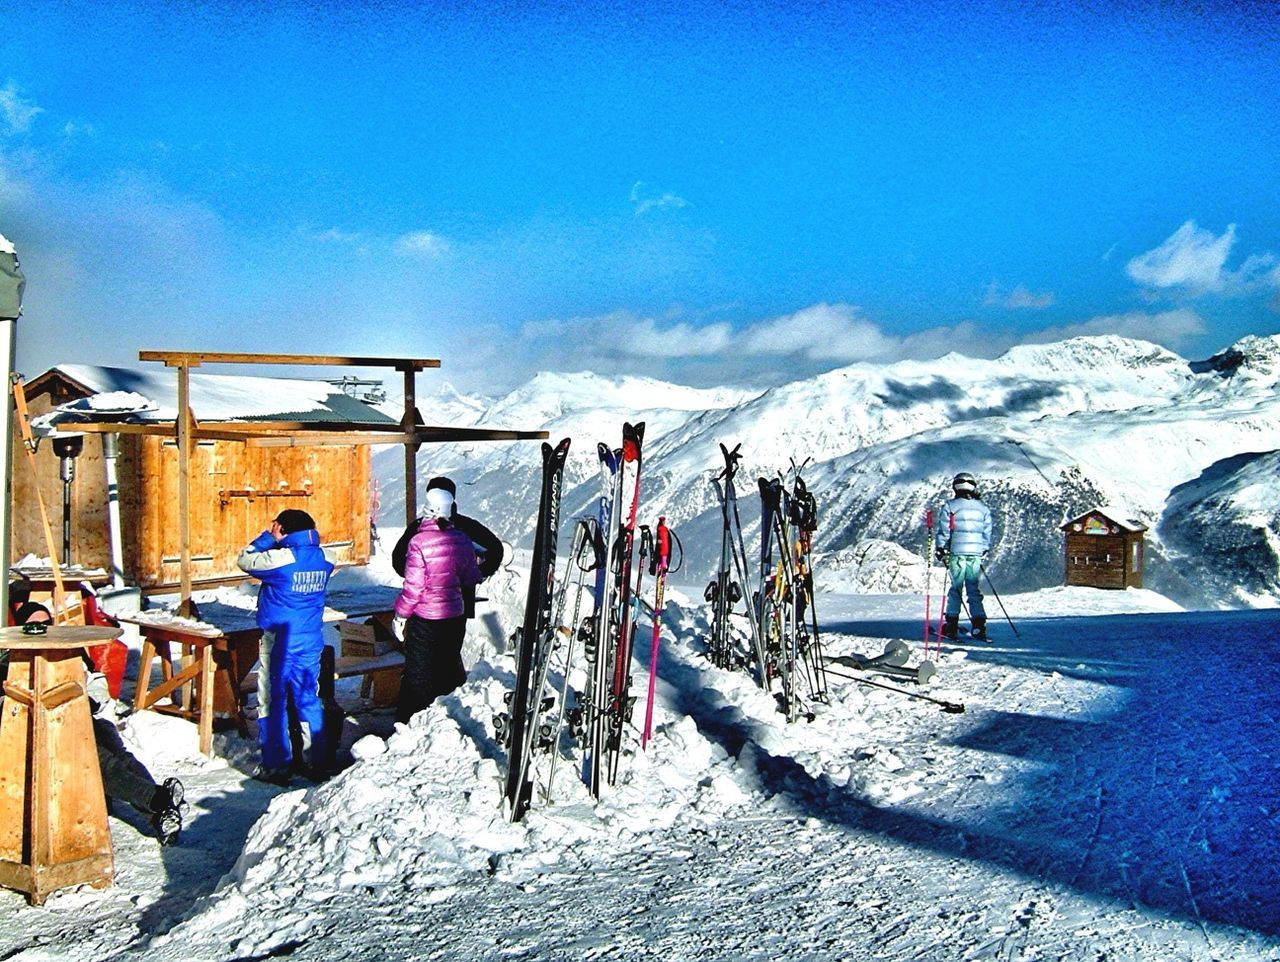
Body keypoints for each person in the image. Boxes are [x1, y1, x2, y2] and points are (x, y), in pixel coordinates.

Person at [5, 601, 186, 844]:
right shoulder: (12, 660)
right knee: (100, 760)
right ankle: (159, 800)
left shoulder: (68, 650)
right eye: (34, 625)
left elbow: (95, 679)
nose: (42, 629)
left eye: (46, 623)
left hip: (84, 716)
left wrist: (91, 699)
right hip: (48, 731)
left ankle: (162, 815)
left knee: (121, 755)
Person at [237, 509, 335, 785]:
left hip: (280, 641)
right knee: (308, 698)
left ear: (283, 528)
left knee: (272, 701)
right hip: (310, 638)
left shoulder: (281, 559)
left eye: (276, 526)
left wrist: (269, 537)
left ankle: (277, 765)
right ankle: (317, 760)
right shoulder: (326, 558)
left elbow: (245, 559)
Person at [392, 484, 482, 724]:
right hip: (454, 615)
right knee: (447, 669)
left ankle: (410, 724)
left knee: (419, 674)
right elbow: (472, 577)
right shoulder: (462, 540)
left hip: (426, 619)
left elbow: (413, 588)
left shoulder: (419, 542)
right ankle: (444, 722)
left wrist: (400, 615)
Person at [392, 476, 504, 615]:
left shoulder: (417, 528)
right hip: (460, 604)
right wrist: (478, 573)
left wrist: (416, 575)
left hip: (425, 607)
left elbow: (397, 559)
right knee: (453, 636)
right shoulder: (468, 526)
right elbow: (496, 549)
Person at [936, 472, 994, 641]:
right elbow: (987, 532)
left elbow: (945, 530)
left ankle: (951, 626)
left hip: (957, 552)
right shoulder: (983, 508)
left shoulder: (950, 506)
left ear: (955, 486)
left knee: (956, 588)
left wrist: (941, 548)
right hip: (975, 553)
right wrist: (983, 548)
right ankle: (978, 625)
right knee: (973, 589)